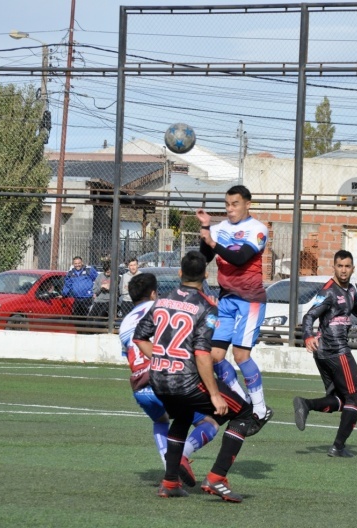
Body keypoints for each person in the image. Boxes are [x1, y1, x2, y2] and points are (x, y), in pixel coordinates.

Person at [133, 251, 254, 502]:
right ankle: (217, 478)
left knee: (184, 415)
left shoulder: (162, 300)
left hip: (159, 379)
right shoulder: (207, 307)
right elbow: (201, 353)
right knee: (243, 413)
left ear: (180, 273)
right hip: (186, 380)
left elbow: (139, 337)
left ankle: (169, 482)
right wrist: (214, 395)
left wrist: (160, 359)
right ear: (205, 275)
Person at [292, 250, 357, 458]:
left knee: (340, 400)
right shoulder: (329, 291)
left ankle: (306, 404)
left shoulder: (350, 290)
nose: (343, 270)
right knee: (355, 397)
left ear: (352, 268)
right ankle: (338, 446)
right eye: (340, 266)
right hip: (335, 351)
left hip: (327, 353)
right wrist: (307, 336)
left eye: (347, 266)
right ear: (334, 267)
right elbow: (309, 315)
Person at [119, 272, 219, 487]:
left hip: (140, 386)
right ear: (154, 293)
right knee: (209, 422)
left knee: (161, 421)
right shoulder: (165, 307)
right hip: (167, 378)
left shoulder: (125, 321)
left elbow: (129, 353)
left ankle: (169, 469)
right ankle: (179, 456)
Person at [196, 184, 272, 436]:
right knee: (215, 357)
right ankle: (244, 403)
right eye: (227, 205)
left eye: (235, 204)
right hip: (226, 299)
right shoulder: (218, 229)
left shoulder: (258, 229)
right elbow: (203, 256)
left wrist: (212, 241)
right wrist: (206, 230)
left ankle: (260, 410)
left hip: (250, 299)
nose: (230, 210)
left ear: (248, 204)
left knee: (240, 356)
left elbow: (240, 258)